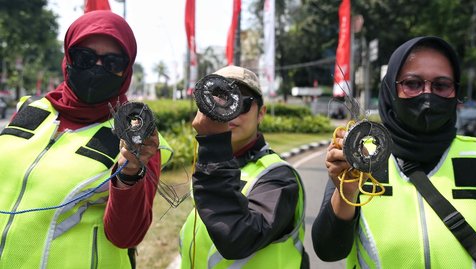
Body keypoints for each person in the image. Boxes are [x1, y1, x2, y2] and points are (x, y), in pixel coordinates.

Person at [0, 10, 172, 268]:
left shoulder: (138, 140)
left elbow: (127, 235)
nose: (97, 69)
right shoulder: (30, 110)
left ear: (126, 71)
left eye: (113, 63)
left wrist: (130, 171)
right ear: (68, 58)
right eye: (85, 58)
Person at [311, 36, 476, 268]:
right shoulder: (361, 156)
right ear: (391, 88)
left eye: (441, 86)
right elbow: (328, 250)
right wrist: (346, 192)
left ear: (455, 92)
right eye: (413, 84)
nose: (427, 96)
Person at [179, 65, 309, 268]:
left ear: (261, 113)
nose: (229, 112)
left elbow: (237, 238)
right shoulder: (210, 165)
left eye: (241, 103)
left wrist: (214, 145)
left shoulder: (279, 177)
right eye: (219, 100)